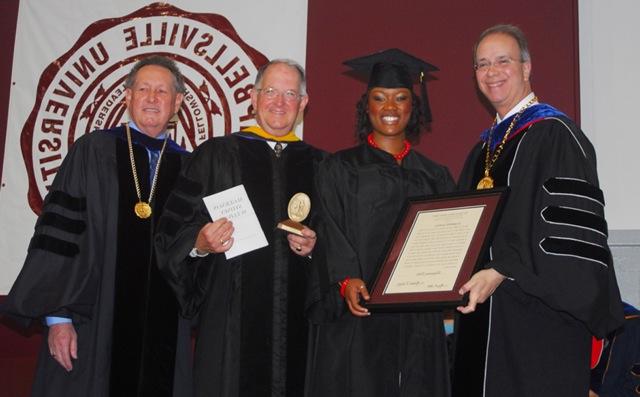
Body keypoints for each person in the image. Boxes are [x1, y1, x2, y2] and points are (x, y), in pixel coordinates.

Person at [1, 55, 191, 396]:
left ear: (177, 102)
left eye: (162, 91)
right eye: (143, 89)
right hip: (94, 318)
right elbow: (59, 239)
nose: (151, 98)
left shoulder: (189, 166)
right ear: (127, 96)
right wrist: (59, 318)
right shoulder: (92, 151)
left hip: (163, 330)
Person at [451, 24, 624, 397]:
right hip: (483, 317)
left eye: (503, 61)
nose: (492, 71)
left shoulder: (556, 134)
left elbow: (568, 239)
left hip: (538, 322)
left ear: (527, 68)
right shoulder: (481, 151)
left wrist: (502, 269)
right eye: (482, 64)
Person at [155, 59, 325, 397]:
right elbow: (170, 233)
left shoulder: (321, 165)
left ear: (303, 103)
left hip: (298, 329)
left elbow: (340, 244)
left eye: (290, 94)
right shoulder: (216, 156)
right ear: (253, 96)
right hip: (229, 326)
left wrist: (316, 247)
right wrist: (199, 242)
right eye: (270, 92)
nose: (279, 102)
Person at [305, 48, 455, 397]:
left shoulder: (435, 176)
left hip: (418, 317)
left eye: (401, 98)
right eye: (379, 98)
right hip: (361, 310)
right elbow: (328, 226)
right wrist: (345, 280)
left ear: (412, 106)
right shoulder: (339, 168)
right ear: (366, 105)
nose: (390, 108)